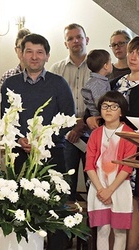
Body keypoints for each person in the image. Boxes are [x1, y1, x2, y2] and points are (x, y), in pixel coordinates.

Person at [85, 36, 139, 250]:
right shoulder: (118, 81)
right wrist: (89, 118)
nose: (133, 57)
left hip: (135, 148)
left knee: (130, 202)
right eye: (131, 52)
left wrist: (106, 118)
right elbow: (102, 103)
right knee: (106, 200)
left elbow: (131, 115)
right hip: (107, 146)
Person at [0, 33, 75, 250]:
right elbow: (5, 120)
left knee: (56, 209)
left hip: (53, 157)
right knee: (22, 209)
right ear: (21, 54)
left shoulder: (58, 84)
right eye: (29, 51)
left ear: (47, 56)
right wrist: (18, 139)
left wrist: (44, 140)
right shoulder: (10, 84)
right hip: (21, 157)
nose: (34, 57)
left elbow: (69, 120)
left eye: (39, 52)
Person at [85, 91, 137, 250]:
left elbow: (127, 167)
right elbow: (89, 165)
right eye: (105, 106)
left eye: (114, 107)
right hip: (98, 186)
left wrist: (110, 190)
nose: (108, 110)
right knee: (102, 229)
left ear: (121, 111)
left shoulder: (129, 134)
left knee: (120, 231)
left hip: (119, 187)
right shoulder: (95, 134)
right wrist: (102, 190)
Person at [49, 23, 91, 201]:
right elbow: (51, 103)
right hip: (67, 137)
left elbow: (104, 100)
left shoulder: (98, 66)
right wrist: (71, 127)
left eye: (79, 37)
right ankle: (65, 226)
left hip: (93, 134)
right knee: (65, 185)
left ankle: (94, 228)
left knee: (94, 185)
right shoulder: (56, 70)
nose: (76, 41)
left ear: (86, 39)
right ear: (65, 44)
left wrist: (82, 125)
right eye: (70, 39)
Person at [81, 49, 112, 116]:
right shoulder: (97, 83)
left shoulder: (99, 81)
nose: (111, 64)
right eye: (110, 61)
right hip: (98, 118)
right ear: (105, 66)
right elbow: (101, 104)